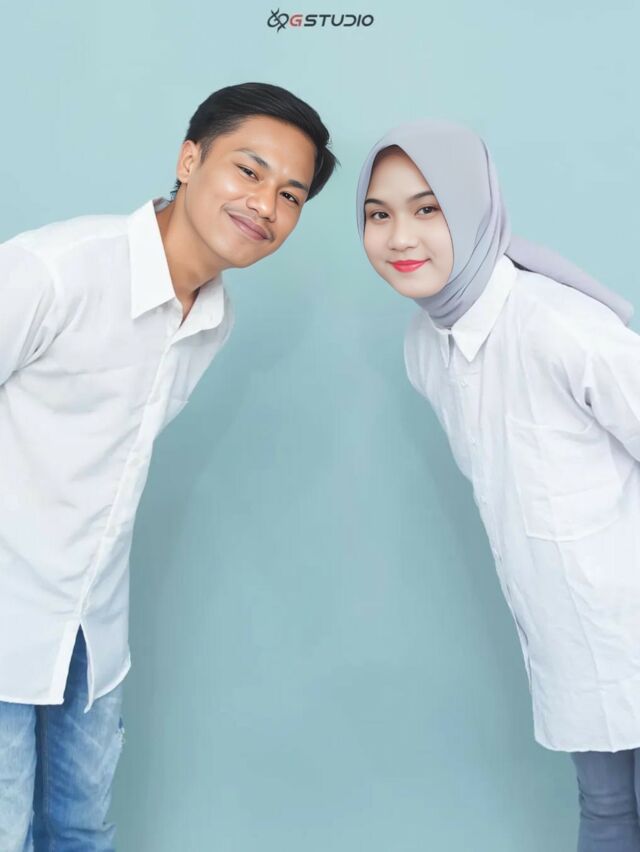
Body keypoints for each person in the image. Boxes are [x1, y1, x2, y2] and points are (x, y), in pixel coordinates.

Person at [0, 81, 336, 851]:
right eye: (248, 171)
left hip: (90, 633)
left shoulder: (213, 317)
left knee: (81, 831)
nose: (265, 205)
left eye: (290, 195)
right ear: (190, 160)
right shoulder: (54, 271)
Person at [356, 119, 640, 851]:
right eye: (379, 214)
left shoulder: (558, 326)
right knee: (606, 810)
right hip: (570, 637)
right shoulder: (426, 347)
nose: (400, 237)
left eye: (427, 209)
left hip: (629, 620)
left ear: (472, 206)